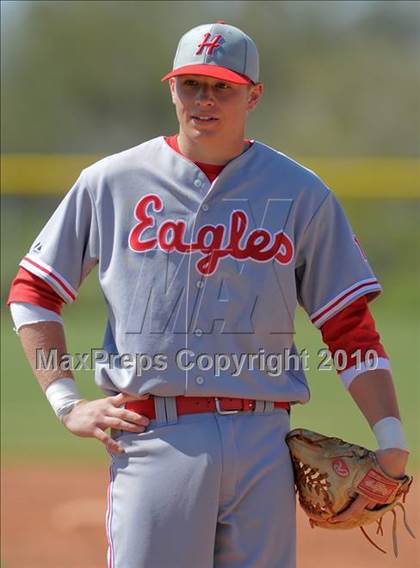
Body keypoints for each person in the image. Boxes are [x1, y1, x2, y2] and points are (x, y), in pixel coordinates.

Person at [8, 21, 409, 568]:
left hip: (263, 439)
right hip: (154, 435)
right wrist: (66, 402)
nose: (205, 99)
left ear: (254, 95)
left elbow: (347, 325)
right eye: (192, 84)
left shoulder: (300, 192)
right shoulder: (113, 181)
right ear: (171, 89)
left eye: (222, 86)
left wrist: (390, 437)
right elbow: (32, 290)